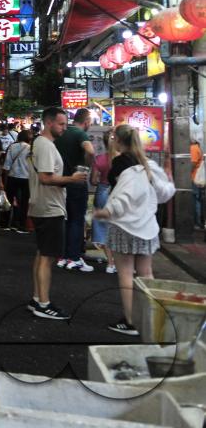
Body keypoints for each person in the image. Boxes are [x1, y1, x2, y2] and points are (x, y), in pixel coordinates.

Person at [93, 124, 176, 336]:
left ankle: (131, 322)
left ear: (118, 141)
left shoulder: (122, 165)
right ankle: (150, 317)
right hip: (147, 226)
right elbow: (166, 193)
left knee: (126, 274)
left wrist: (107, 211)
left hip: (125, 226)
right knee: (146, 273)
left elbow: (124, 196)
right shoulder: (148, 164)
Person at [27, 107, 88, 321]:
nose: (64, 128)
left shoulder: (45, 144)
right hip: (48, 207)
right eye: (61, 124)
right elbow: (45, 177)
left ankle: (37, 298)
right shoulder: (44, 145)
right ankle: (44, 303)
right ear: (49, 123)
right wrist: (72, 179)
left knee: (42, 254)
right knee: (47, 257)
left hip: (46, 205)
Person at [54, 108, 95, 272]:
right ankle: (74, 258)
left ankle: (63, 256)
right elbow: (90, 151)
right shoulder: (80, 134)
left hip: (60, 182)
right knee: (77, 220)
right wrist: (85, 168)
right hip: (76, 182)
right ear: (86, 121)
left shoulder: (61, 134)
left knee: (65, 219)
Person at [90, 131, 117, 274]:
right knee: (119, 226)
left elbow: (93, 180)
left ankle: (110, 264)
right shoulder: (123, 159)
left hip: (103, 191)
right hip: (119, 192)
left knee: (104, 227)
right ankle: (121, 262)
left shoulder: (99, 159)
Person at [1, 130, 32, 233]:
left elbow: (6, 165)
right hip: (26, 178)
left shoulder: (12, 147)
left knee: (8, 200)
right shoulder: (30, 148)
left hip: (12, 177)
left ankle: (4, 223)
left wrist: (4, 180)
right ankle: (20, 224)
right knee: (23, 202)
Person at [191, 133, 204, 230]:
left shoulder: (194, 148)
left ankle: (196, 223)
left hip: (194, 178)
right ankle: (198, 222)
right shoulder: (197, 147)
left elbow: (192, 163)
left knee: (195, 200)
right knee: (197, 200)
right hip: (196, 178)